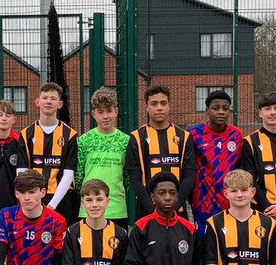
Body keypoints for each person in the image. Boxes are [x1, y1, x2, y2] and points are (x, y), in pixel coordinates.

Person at [123, 84, 196, 218]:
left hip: (177, 210)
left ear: (169, 106)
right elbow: (135, 179)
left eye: (163, 103)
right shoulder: (137, 137)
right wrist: (153, 210)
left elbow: (189, 176)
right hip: (147, 210)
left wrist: (175, 205)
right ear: (147, 107)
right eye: (154, 104)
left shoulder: (184, 137)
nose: (159, 108)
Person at [187, 89, 245, 237]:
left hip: (230, 202)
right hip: (203, 203)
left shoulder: (236, 134)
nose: (221, 112)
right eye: (215, 108)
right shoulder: (194, 134)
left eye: (225, 109)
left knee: (229, 246)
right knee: (206, 247)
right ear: (207, 110)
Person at [22, 82, 80, 224]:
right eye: (45, 98)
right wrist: (31, 197)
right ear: (37, 102)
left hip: (61, 199)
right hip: (33, 198)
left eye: (53, 98)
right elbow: (22, 172)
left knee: (62, 243)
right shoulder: (25, 134)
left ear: (60, 104)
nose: (48, 101)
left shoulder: (70, 135)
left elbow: (68, 174)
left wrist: (52, 205)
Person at [75, 86, 130, 226]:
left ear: (116, 112)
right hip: (88, 211)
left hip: (116, 209)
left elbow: (127, 177)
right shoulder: (84, 141)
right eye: (101, 112)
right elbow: (78, 175)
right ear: (93, 114)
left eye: (109, 111)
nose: (105, 116)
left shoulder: (125, 141)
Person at [240, 92, 276, 218]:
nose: (272, 112)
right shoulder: (249, 142)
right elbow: (249, 179)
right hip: (260, 209)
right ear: (260, 113)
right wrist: (266, 207)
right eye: (267, 109)